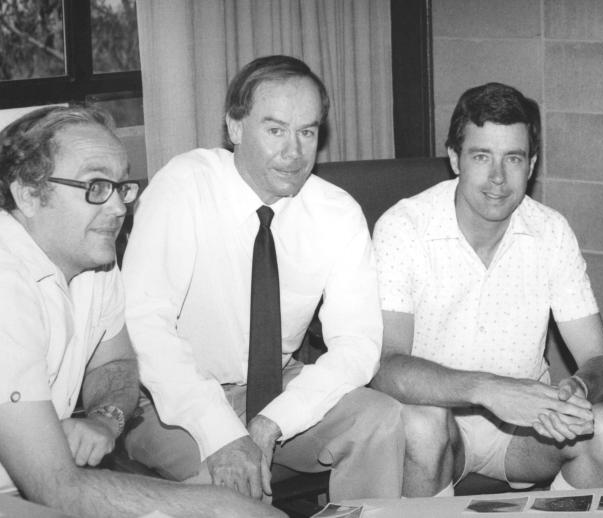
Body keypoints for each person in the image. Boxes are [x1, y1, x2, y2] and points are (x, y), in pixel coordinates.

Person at [121, 55, 403, 501]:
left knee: (382, 420)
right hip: (172, 399)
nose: (294, 152)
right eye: (275, 130)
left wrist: (277, 419)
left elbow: (358, 344)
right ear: (234, 128)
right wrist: (220, 432)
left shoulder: (337, 212)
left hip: (279, 387)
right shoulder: (183, 187)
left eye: (307, 132)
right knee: (231, 491)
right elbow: (145, 324)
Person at [0, 105, 282, 517]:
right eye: (95, 186)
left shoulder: (94, 260)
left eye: (121, 187)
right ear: (27, 193)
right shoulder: (7, 283)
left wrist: (105, 419)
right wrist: (223, 506)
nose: (118, 209)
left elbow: (116, 362)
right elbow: (57, 488)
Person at [370, 82, 603, 497]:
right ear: (455, 159)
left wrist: (578, 389)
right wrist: (490, 390)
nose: (497, 178)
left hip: (524, 433)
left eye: (512, 158)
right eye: (481, 156)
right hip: (437, 425)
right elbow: (385, 366)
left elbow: (599, 359)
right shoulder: (403, 228)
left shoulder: (551, 231)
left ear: (531, 165)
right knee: (423, 423)